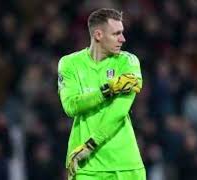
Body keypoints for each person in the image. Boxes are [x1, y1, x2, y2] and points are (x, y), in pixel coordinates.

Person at [57, 8, 146, 180]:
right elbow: (70, 106)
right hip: (85, 166)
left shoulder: (128, 62)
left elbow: (118, 112)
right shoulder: (69, 64)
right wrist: (108, 90)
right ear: (98, 35)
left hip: (125, 164)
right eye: (116, 34)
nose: (123, 39)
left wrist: (90, 145)